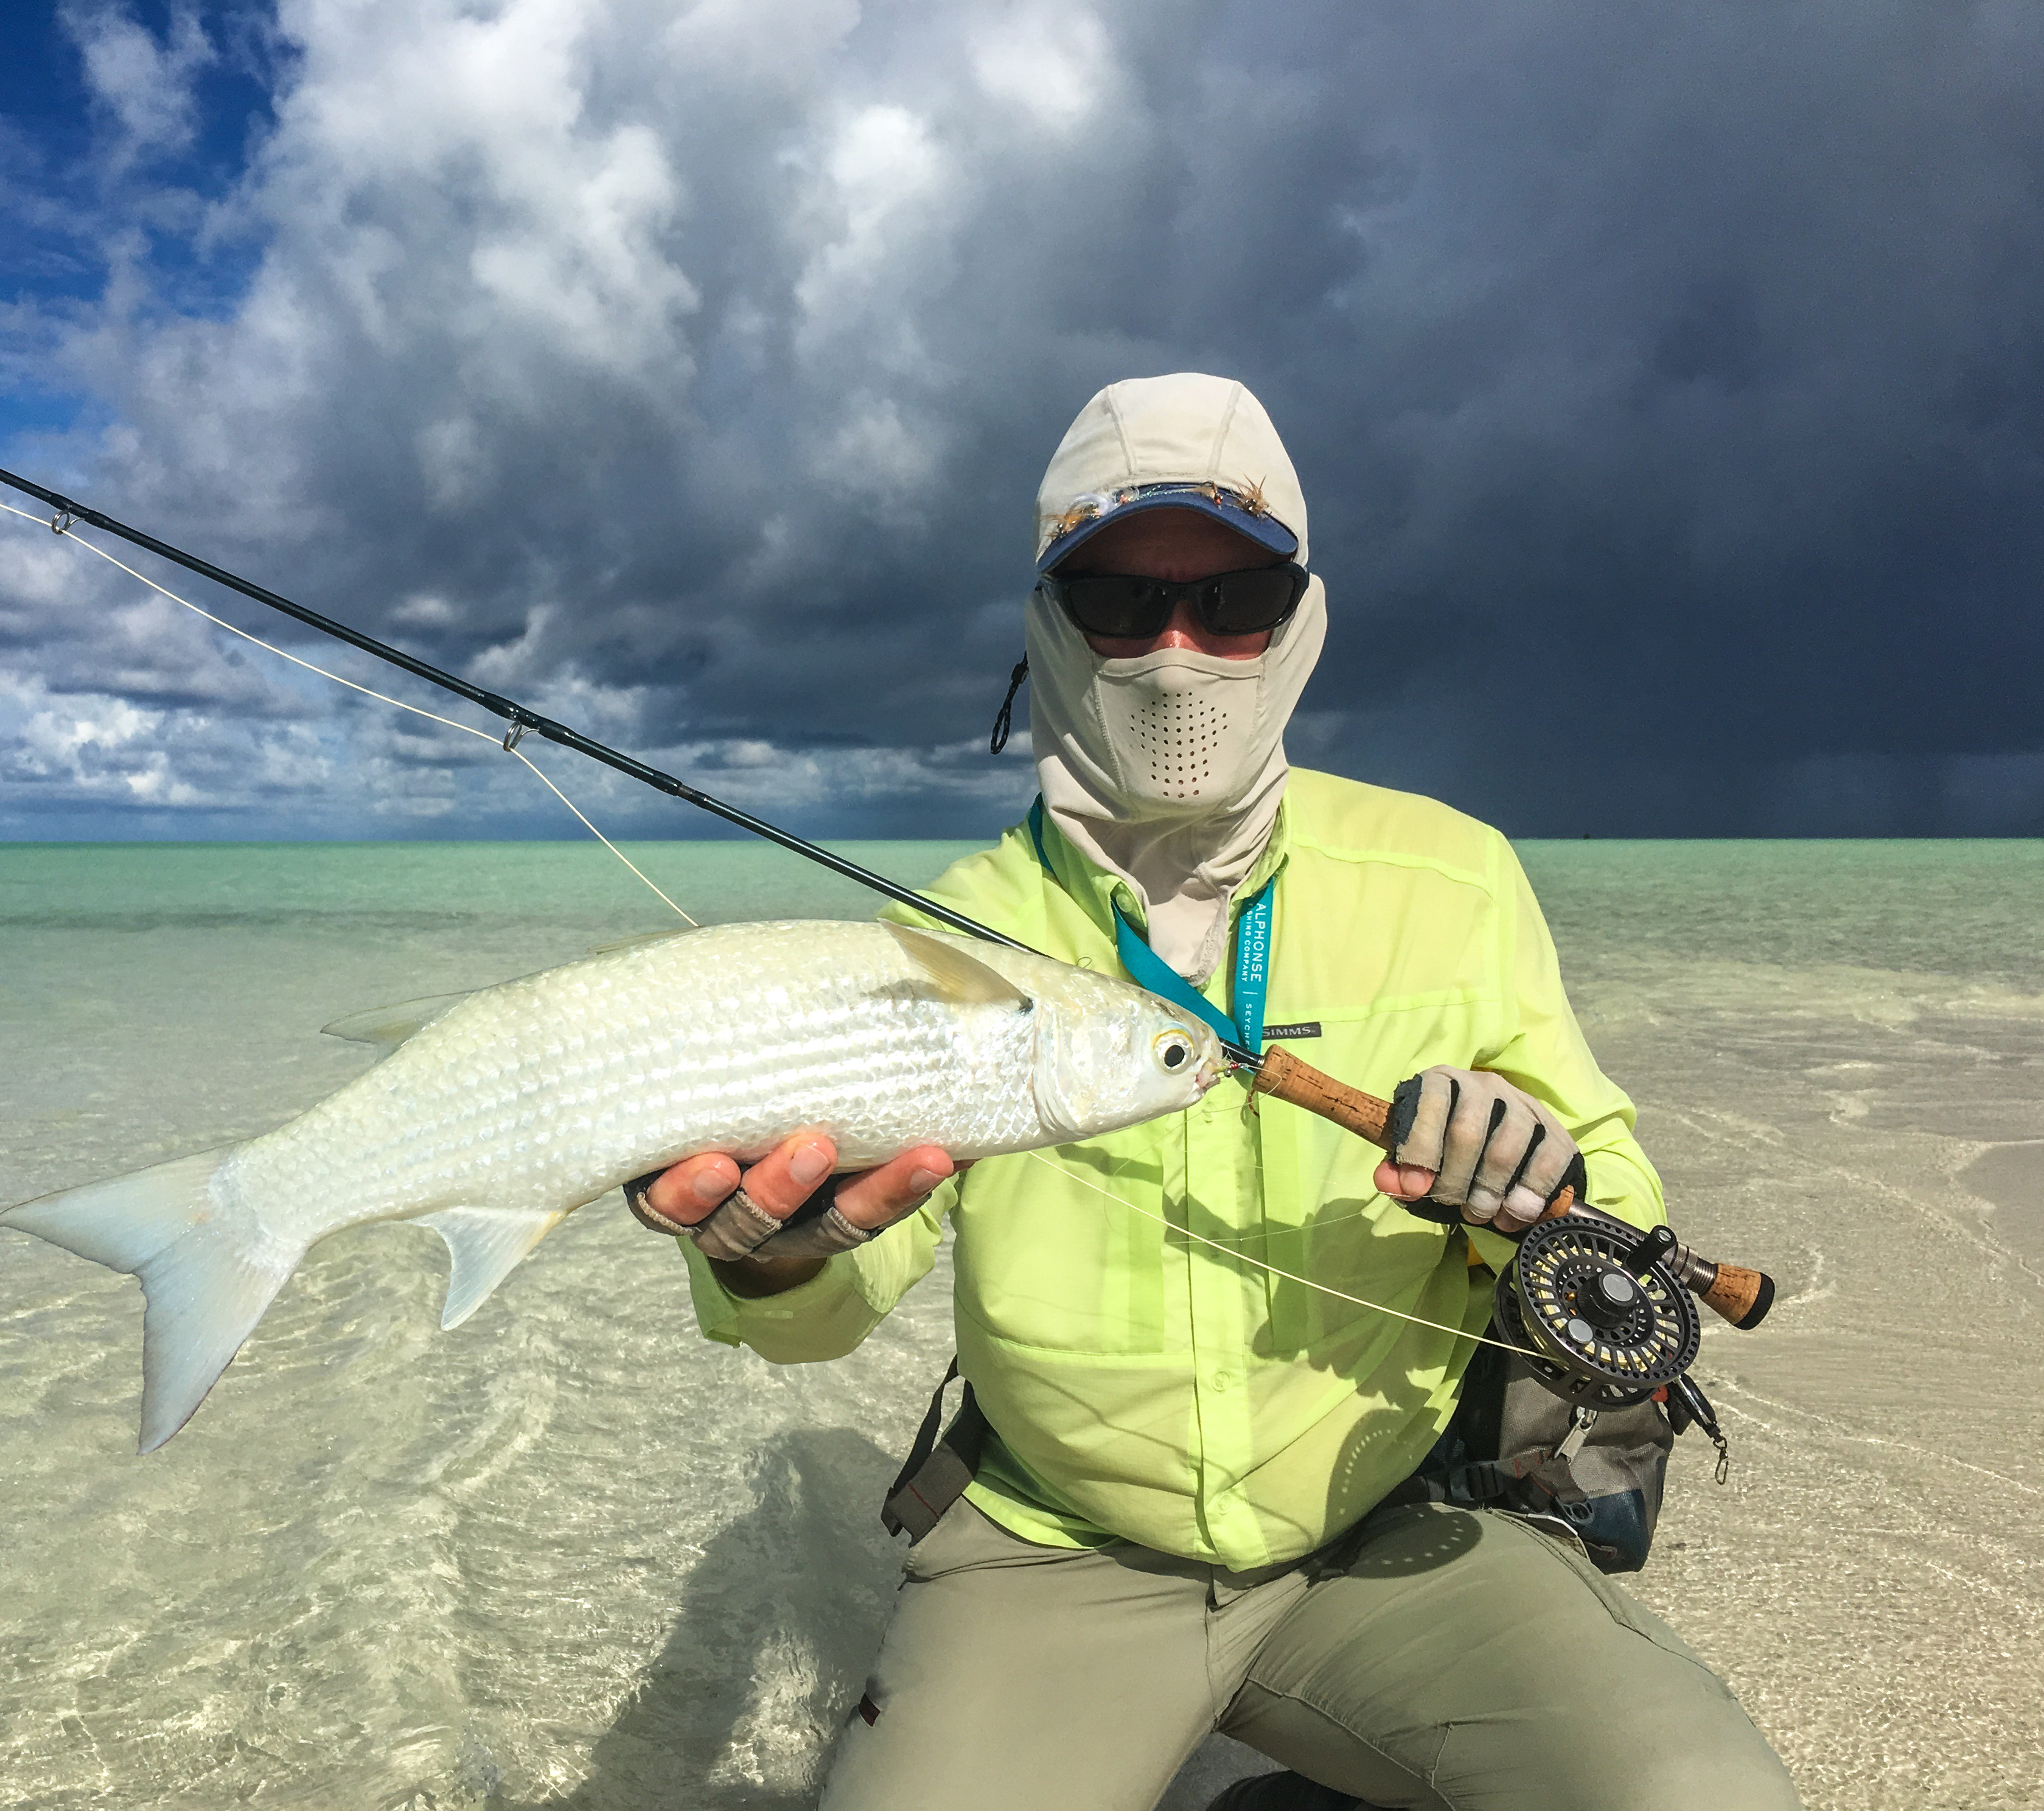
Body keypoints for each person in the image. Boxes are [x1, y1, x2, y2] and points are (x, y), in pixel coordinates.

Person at [627, 375, 1799, 1811]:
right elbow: (824, 1316)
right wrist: (770, 1264)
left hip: (1386, 1536)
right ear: (1047, 627)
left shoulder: (1454, 874)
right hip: (1054, 1549)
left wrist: (1545, 1193)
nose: (1177, 653)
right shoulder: (936, 941)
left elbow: (1620, 1214)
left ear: (1297, 618)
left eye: (1232, 598)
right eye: (1119, 601)